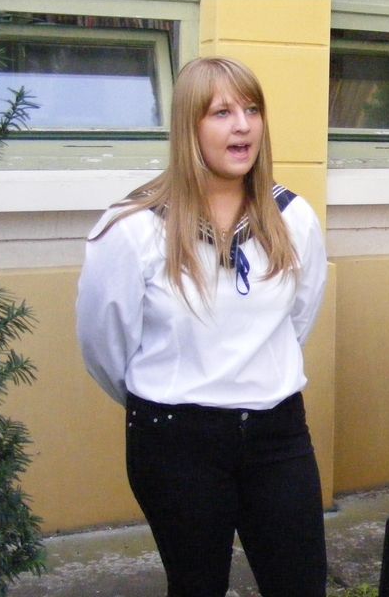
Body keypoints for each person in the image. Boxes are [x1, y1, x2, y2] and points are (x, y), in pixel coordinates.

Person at [76, 56, 328, 596]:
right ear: (188, 126)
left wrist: (250, 373)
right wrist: (175, 389)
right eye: (222, 112)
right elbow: (104, 345)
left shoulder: (294, 219)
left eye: (252, 110)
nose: (243, 126)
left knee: (301, 584)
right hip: (176, 442)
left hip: (278, 435)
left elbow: (296, 321)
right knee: (196, 586)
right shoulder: (132, 229)